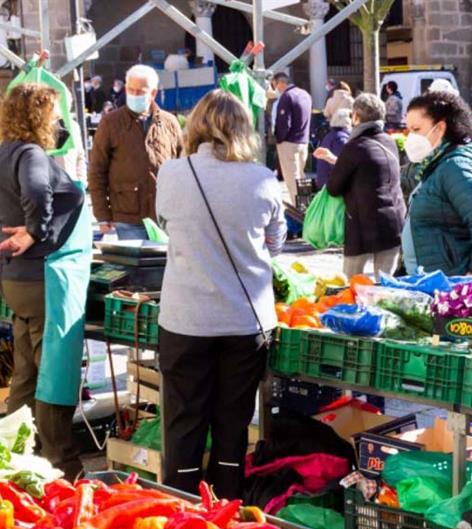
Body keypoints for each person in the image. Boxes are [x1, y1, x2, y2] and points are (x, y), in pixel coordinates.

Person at [155, 90, 286, 499]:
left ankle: (180, 511)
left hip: (185, 320)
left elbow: (165, 224)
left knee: (184, 422)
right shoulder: (263, 180)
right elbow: (276, 242)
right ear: (244, 129)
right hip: (245, 322)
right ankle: (226, 512)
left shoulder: (173, 174)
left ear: (195, 127)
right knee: (232, 423)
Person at [0, 82, 93, 479]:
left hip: (17, 279)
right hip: (43, 277)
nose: (59, 121)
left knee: (27, 372)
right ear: (38, 116)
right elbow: (36, 191)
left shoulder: (2, 154)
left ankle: (14, 458)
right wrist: (35, 231)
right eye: (53, 113)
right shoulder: (31, 153)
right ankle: (62, 464)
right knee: (53, 372)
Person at [402, 89, 472, 279]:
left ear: (440, 128)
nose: (411, 137)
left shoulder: (456, 168)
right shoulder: (433, 164)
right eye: (408, 130)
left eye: (416, 130)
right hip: (428, 281)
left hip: (451, 285)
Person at [88, 64, 181, 240]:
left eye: (140, 91)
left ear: (152, 93)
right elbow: (96, 171)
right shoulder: (111, 123)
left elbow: (183, 165)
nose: (134, 95)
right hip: (128, 215)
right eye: (131, 90)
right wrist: (102, 214)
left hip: (166, 214)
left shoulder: (169, 123)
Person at [318, 94, 405, 278]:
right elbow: (372, 170)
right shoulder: (389, 141)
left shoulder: (355, 146)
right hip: (394, 224)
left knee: (351, 286)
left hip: (362, 226)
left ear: (356, 116)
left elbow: (334, 188)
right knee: (386, 287)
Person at [272, 72, 313, 207]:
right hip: (303, 141)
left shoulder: (286, 96)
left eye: (274, 85)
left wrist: (279, 139)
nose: (275, 89)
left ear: (280, 83)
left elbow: (284, 123)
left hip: (289, 142)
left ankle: (300, 212)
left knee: (292, 179)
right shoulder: (305, 94)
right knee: (301, 176)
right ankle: (306, 206)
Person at [313, 108, 351, 188]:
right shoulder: (340, 139)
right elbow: (340, 165)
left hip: (326, 182)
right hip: (331, 185)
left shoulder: (332, 135)